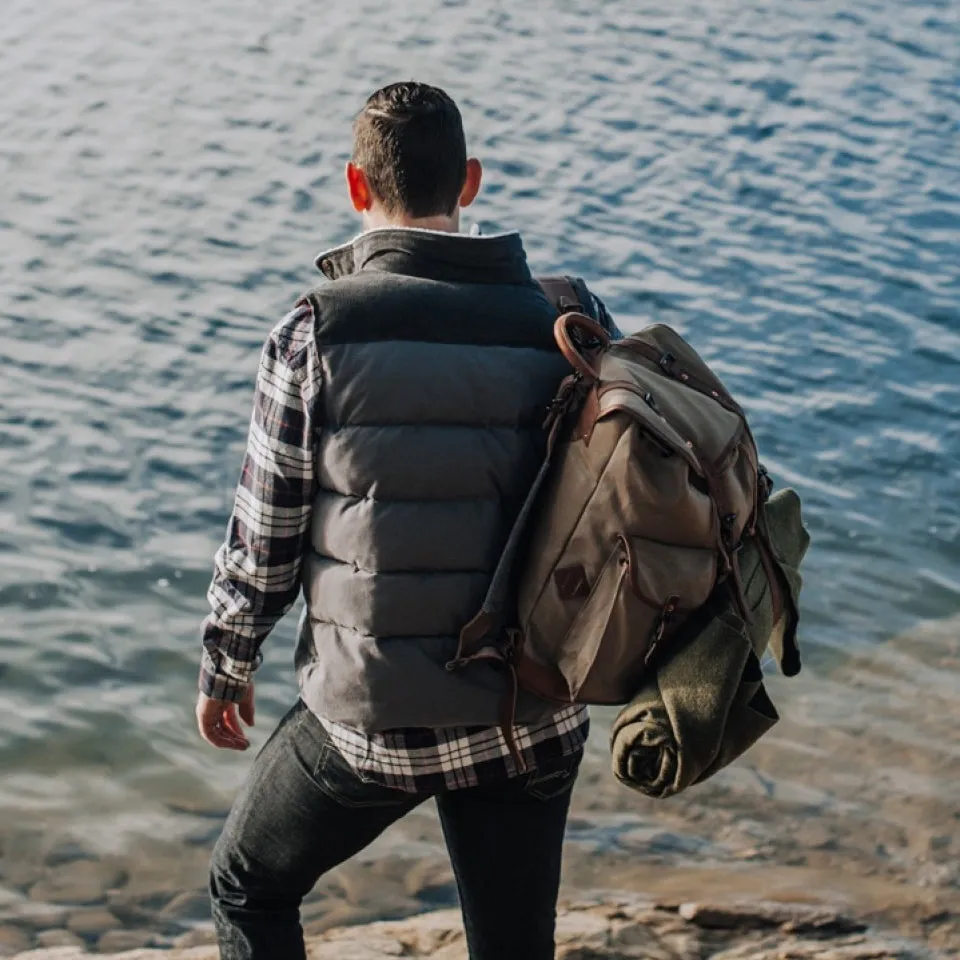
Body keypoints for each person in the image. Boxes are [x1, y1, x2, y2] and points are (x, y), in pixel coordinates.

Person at [197, 81, 615, 960]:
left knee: (246, 885)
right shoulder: (571, 318)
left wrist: (227, 663)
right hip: (531, 707)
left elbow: (266, 543)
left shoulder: (315, 332)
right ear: (468, 182)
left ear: (356, 188)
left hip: (376, 719)